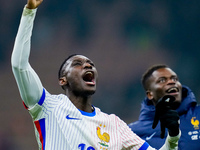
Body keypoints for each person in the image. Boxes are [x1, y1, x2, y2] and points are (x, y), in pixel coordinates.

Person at [11, 0, 181, 149]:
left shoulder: (114, 125)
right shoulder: (48, 107)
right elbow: (19, 65)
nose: (87, 65)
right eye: (78, 64)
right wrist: (29, 11)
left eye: (91, 64)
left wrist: (173, 138)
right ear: (63, 80)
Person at [129, 64, 200, 150]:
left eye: (174, 79)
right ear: (150, 94)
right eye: (162, 80)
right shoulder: (132, 132)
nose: (171, 82)